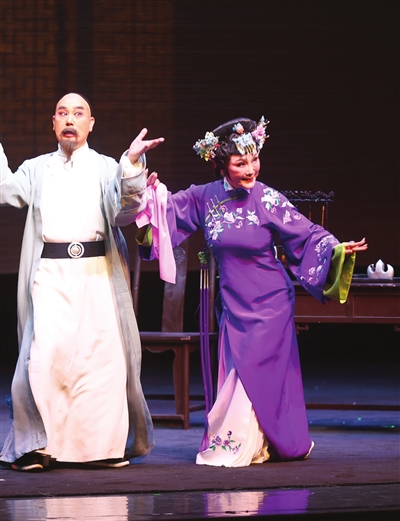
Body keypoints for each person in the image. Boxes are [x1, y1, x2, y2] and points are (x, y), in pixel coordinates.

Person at [140, 116, 367, 467]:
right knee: (238, 372)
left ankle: (248, 442)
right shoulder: (205, 197)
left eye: (254, 159)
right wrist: (147, 194)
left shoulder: (268, 199)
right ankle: (254, 441)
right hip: (234, 303)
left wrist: (336, 250)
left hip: (270, 303)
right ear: (221, 165)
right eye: (240, 162)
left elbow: (306, 234)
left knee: (254, 375)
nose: (250, 169)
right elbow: (167, 212)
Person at [0, 92, 164, 471]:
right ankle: (36, 446)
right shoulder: (37, 168)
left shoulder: (107, 167)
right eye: (62, 113)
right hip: (50, 276)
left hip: (96, 276)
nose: (70, 119)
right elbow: (6, 189)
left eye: (78, 113)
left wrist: (132, 163)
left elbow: (124, 210)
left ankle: (100, 449)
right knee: (44, 359)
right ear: (54, 124)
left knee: (101, 362)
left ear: (90, 124)